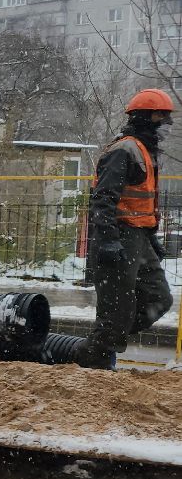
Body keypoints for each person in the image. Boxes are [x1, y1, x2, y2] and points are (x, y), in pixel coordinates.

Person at [76, 89, 175, 368]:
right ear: (143, 118)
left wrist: (150, 236)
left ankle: (101, 341)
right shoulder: (124, 150)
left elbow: (142, 201)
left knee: (159, 298)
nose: (164, 125)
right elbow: (103, 199)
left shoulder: (147, 151)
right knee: (115, 313)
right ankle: (94, 363)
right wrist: (108, 240)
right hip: (118, 236)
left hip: (138, 237)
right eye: (159, 118)